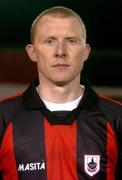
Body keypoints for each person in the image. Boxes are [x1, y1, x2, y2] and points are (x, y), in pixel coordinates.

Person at [0, 6, 122, 180]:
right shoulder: (3, 117)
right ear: (32, 52)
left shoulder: (117, 117)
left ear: (86, 52)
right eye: (50, 41)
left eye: (71, 41)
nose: (60, 52)